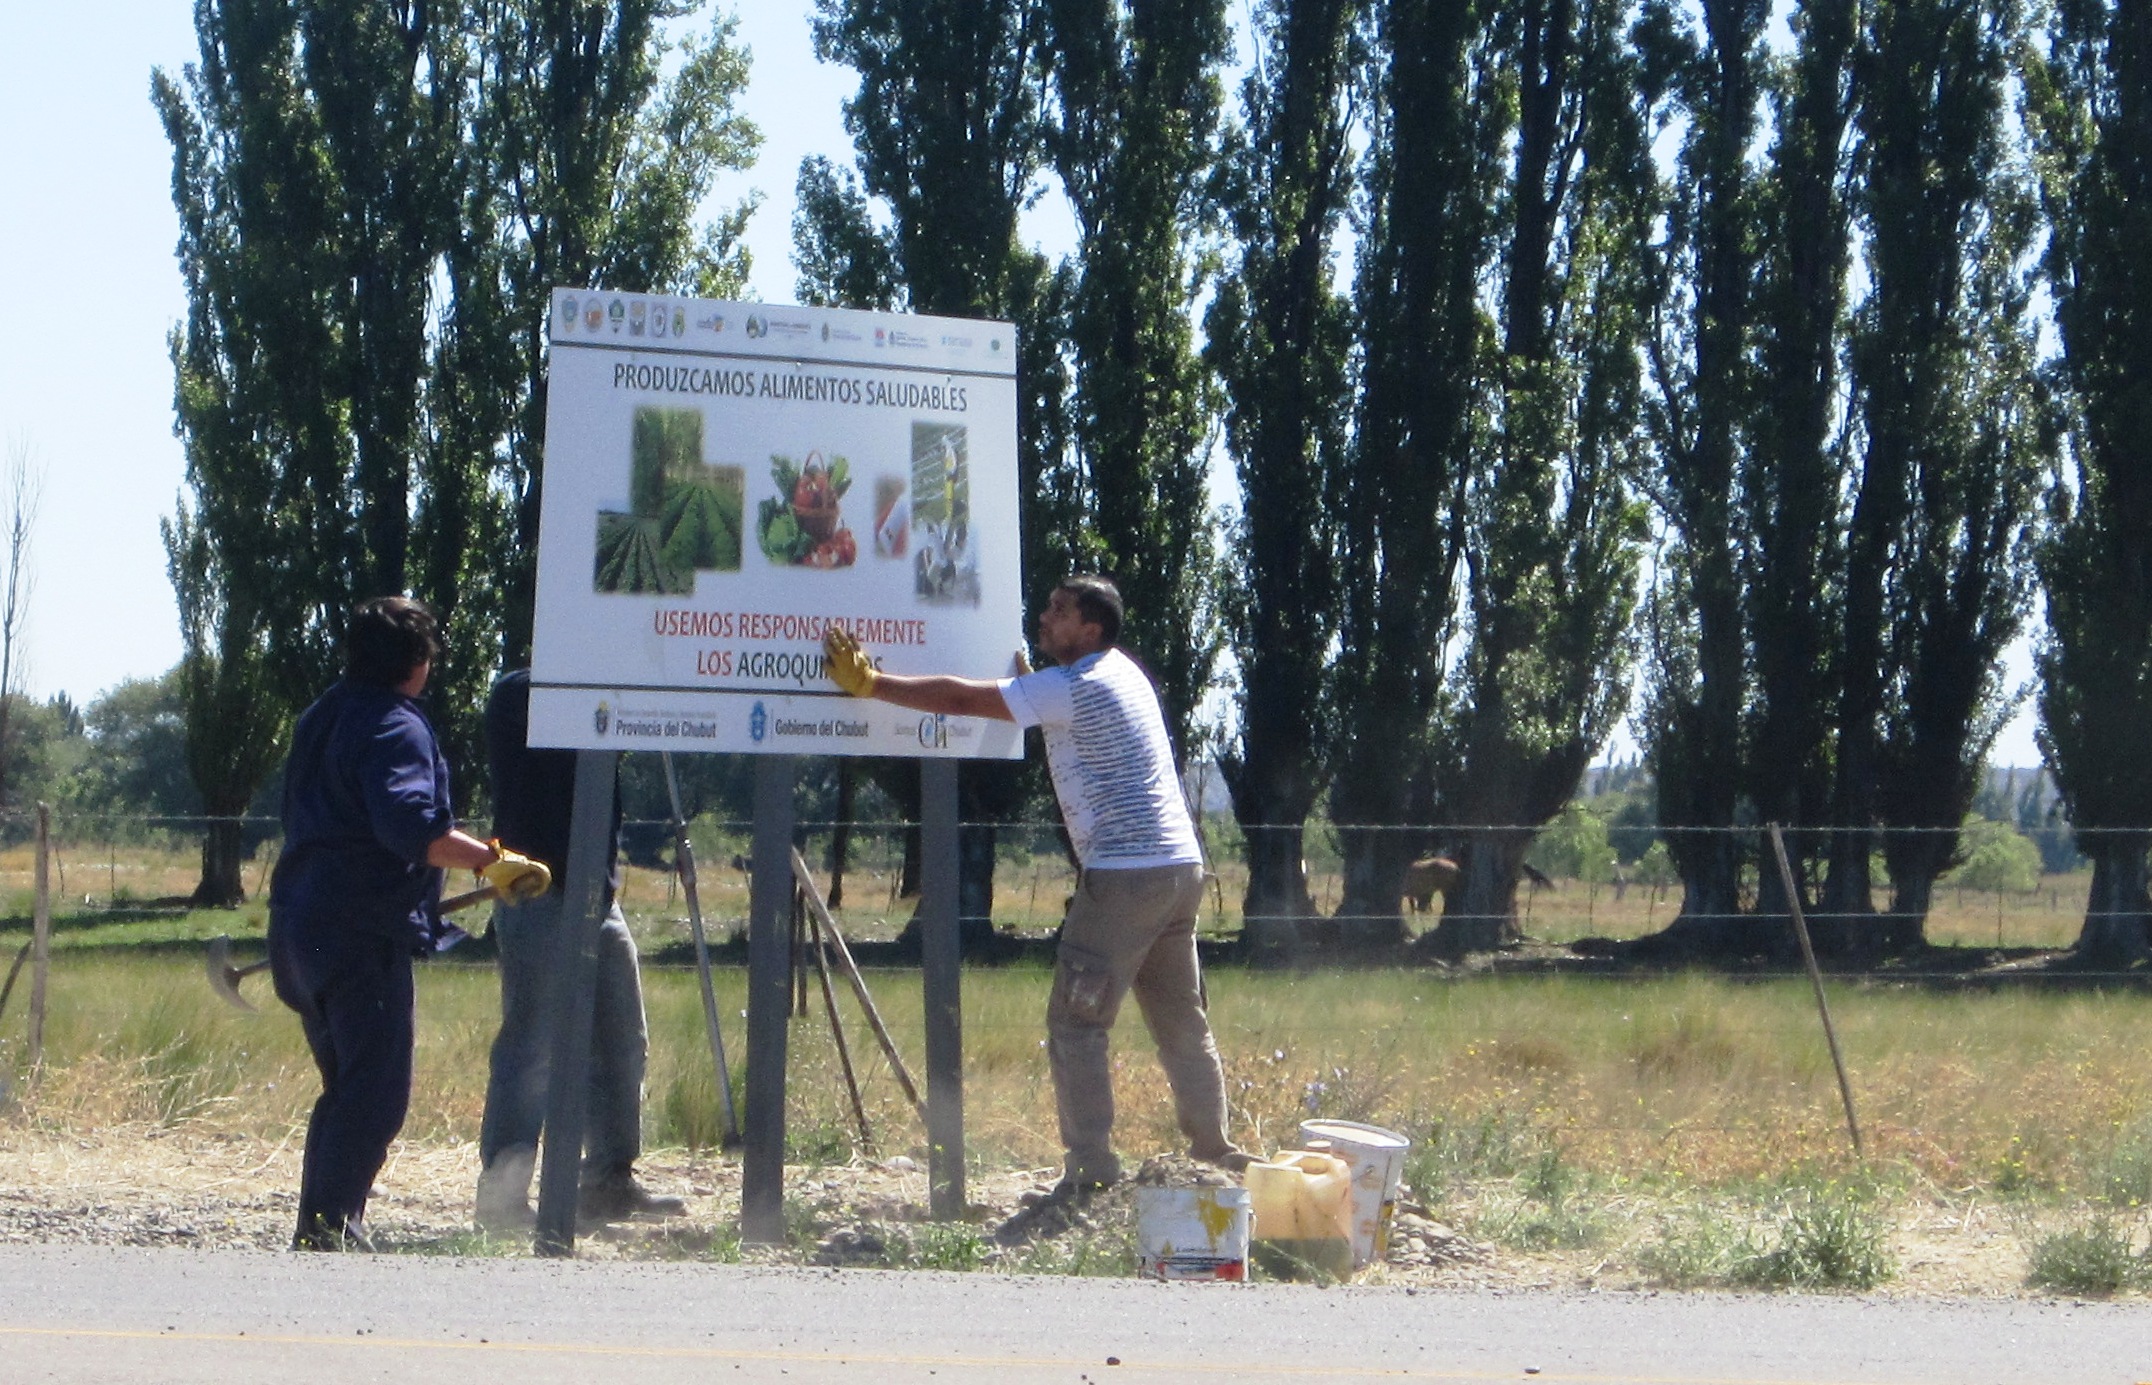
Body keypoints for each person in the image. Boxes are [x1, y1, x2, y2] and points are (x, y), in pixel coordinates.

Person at [823, 576, 1247, 1196]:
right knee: (1182, 1021)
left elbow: (961, 699)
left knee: (1077, 1021)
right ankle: (1216, 1154)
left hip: (1125, 875)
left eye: (1059, 611)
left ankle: (1091, 1170)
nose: (1044, 617)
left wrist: (873, 684)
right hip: (1180, 870)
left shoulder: (1073, 686)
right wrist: (1034, 690)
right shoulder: (1124, 674)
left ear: (1091, 630)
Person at [269, 596, 549, 1250]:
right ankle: (331, 1228)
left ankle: (321, 1226)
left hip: (297, 926)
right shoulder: (395, 726)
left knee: (347, 1088)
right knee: (375, 1094)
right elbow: (411, 827)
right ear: (417, 661)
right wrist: (492, 862)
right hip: (358, 931)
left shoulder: (321, 715)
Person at [474, 669, 687, 1232]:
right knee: (531, 1046)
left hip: (597, 896)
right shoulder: (520, 694)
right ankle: (502, 1197)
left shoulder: (602, 687)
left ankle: (608, 1182)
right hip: (537, 894)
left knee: (621, 1037)